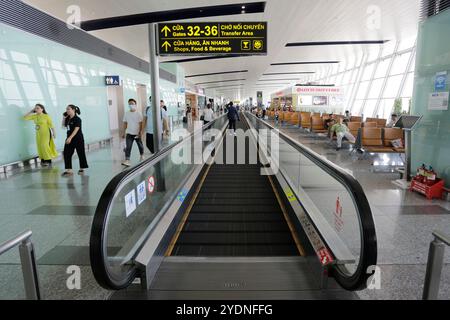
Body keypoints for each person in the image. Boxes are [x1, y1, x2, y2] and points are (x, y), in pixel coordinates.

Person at [61, 105, 88, 176]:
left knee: (80, 153)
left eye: (68, 109)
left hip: (78, 138)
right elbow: (63, 126)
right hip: (69, 138)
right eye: (66, 109)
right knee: (66, 153)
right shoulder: (67, 119)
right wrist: (63, 118)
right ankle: (69, 170)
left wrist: (70, 138)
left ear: (73, 110)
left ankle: (82, 168)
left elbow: (76, 129)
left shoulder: (77, 119)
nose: (67, 110)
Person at [122, 99, 144, 167]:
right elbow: (125, 123)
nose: (131, 105)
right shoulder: (126, 113)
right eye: (129, 104)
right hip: (129, 133)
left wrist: (140, 132)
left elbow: (141, 124)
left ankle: (142, 155)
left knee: (140, 145)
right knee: (128, 147)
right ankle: (127, 160)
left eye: (132, 103)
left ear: (135, 104)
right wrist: (124, 132)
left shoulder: (138, 113)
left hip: (137, 133)